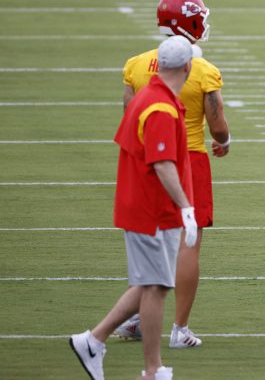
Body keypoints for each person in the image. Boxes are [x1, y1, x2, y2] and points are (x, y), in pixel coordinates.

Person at [70, 36, 198, 380]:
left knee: (149, 282)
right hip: (151, 210)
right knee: (156, 287)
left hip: (145, 206)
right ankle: (152, 369)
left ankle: (93, 340)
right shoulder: (160, 106)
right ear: (186, 67)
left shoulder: (150, 96)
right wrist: (186, 207)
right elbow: (162, 163)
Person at [114, 0, 230, 349]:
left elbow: (130, 118)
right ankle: (179, 327)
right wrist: (225, 143)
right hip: (189, 160)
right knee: (188, 245)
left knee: (152, 242)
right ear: (189, 20)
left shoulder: (135, 65)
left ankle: (138, 317)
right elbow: (218, 125)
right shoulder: (203, 70)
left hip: (146, 165)